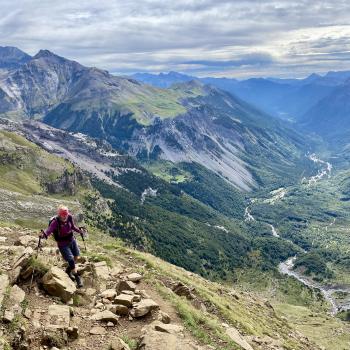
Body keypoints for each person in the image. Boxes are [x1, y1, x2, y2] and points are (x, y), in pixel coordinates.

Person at [40, 205, 85, 288]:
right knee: (71, 259)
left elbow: (72, 226)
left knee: (76, 257)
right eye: (63, 215)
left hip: (72, 240)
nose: (65, 217)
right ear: (59, 214)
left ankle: (68, 271)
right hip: (62, 244)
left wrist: (79, 231)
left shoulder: (69, 217)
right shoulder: (55, 222)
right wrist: (43, 235)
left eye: (66, 215)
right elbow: (49, 230)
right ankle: (77, 277)